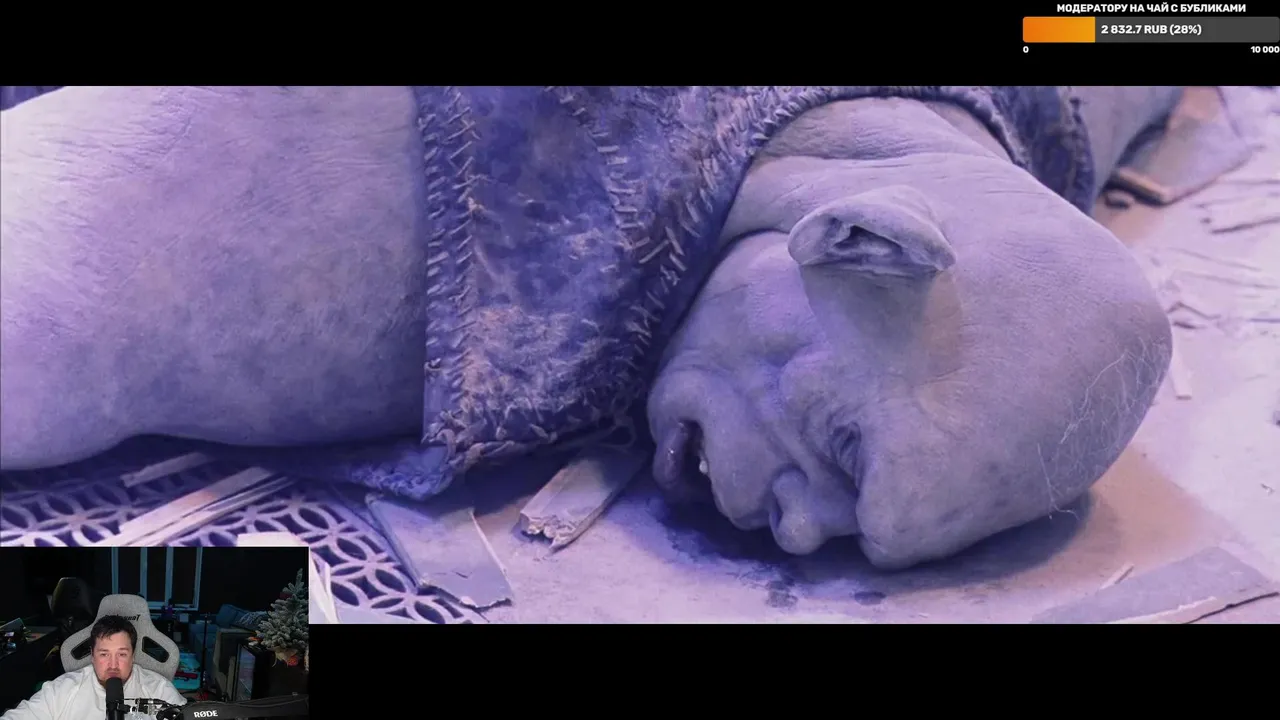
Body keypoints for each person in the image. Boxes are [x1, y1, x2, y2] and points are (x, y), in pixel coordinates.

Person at [2, 615, 186, 720]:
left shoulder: (158, 690)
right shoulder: (63, 690)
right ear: (92, 655)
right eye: (104, 654)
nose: (113, 665)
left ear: (133, 656)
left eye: (122, 654)